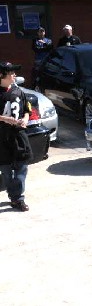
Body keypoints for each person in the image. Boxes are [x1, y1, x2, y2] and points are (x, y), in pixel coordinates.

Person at [0, 62, 32, 212]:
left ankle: (18, 198)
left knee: (22, 167)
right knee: (6, 170)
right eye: (11, 73)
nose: (14, 75)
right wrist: (4, 119)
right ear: (2, 75)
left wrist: (25, 118)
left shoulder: (18, 91)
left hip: (18, 135)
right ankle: (14, 196)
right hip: (2, 137)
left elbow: (27, 109)